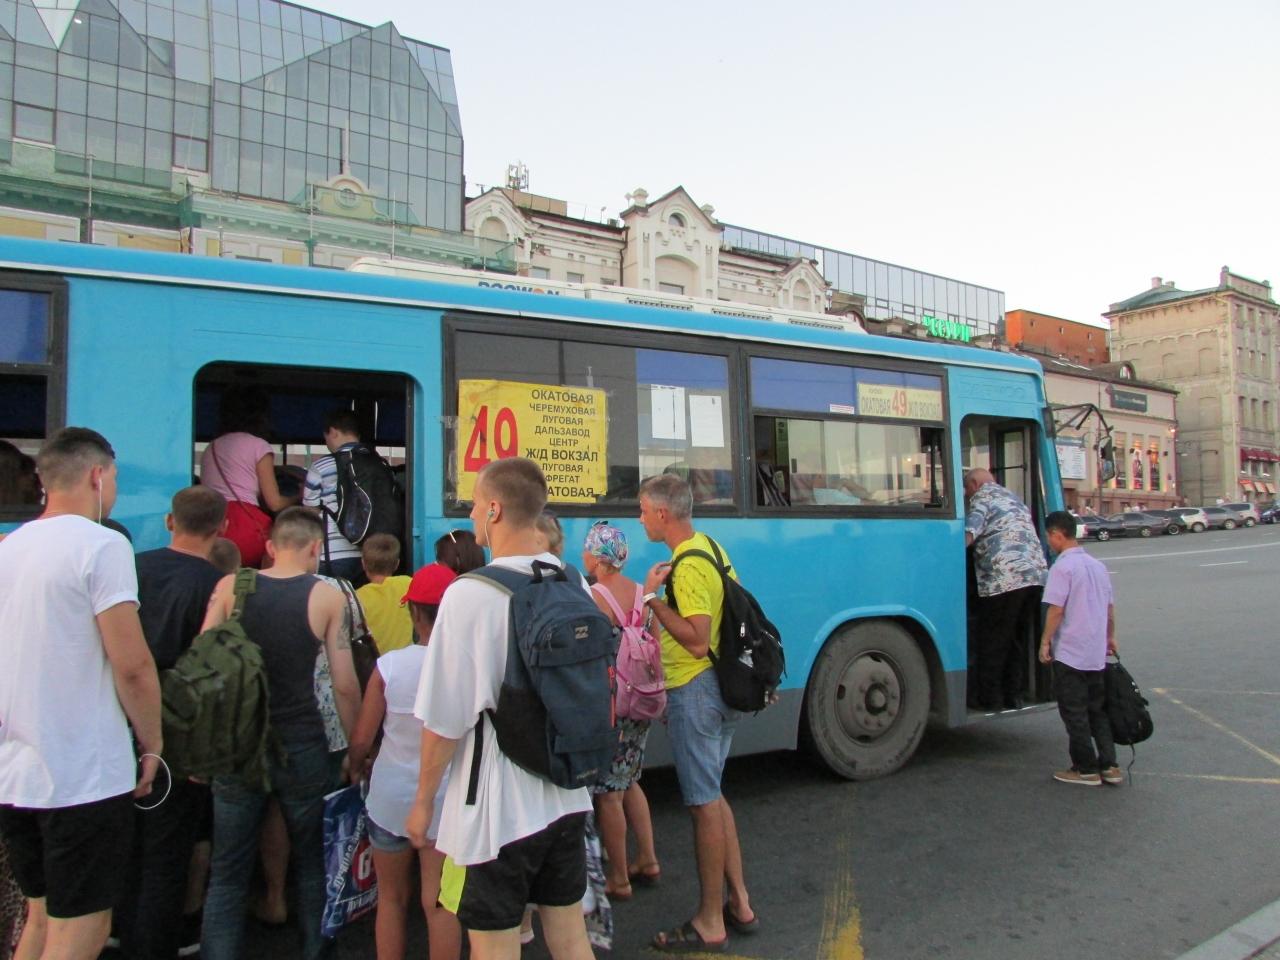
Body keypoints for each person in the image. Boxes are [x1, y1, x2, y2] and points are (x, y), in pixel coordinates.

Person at [404, 458, 595, 960]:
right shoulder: (573, 580)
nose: (470, 515)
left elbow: (444, 721)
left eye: (473, 504)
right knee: (571, 939)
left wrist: (423, 802)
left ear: (494, 509)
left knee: (494, 948)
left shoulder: (470, 594)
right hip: (567, 795)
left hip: (496, 815)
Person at [0, 427, 163, 960]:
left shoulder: (10, 548)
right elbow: (132, 665)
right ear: (97, 475)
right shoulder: (102, 545)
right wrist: (153, 743)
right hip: (81, 777)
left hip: (16, 773)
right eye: (113, 477)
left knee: (40, 920)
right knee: (82, 931)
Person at [199, 507, 360, 960]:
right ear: (316, 548)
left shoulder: (233, 587)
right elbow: (345, 685)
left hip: (239, 745)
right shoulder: (325, 596)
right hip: (303, 742)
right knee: (311, 865)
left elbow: (203, 664)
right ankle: (314, 952)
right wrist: (355, 749)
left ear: (270, 547)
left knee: (227, 873)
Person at [638, 474, 757, 952]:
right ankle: (739, 901)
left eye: (643, 510)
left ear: (662, 513)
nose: (640, 518)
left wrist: (651, 599)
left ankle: (710, 921)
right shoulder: (712, 547)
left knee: (703, 804)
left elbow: (696, 639)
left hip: (696, 691)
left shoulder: (685, 567)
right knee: (714, 794)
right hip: (721, 689)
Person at [115, 487, 228, 960]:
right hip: (181, 729)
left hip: (119, 719)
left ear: (169, 521)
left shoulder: (131, 569)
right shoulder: (219, 586)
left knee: (124, 838)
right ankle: (152, 945)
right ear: (222, 528)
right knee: (167, 851)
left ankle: (115, 930)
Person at [347, 563, 462, 960]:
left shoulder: (390, 666)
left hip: (390, 798)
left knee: (392, 900)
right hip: (444, 801)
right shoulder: (467, 668)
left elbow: (362, 739)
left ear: (414, 613)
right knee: (440, 902)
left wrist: (355, 765)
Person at [581, 522, 660, 899]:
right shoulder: (643, 593)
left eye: (587, 549)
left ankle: (619, 878)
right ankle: (648, 859)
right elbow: (656, 645)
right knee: (630, 781)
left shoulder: (593, 596)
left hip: (611, 705)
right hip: (641, 700)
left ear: (598, 558)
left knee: (609, 794)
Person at [1037, 512, 1122, 786]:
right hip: (1095, 652)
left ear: (1056, 534)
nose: (1049, 542)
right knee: (1097, 710)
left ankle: (1085, 768)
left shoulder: (1062, 568)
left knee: (1074, 712)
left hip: (1070, 652)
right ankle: (1109, 765)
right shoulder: (1098, 566)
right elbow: (1109, 609)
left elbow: (1056, 610)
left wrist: (1045, 641)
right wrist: (1110, 637)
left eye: (1049, 536)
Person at [963, 468, 1049, 711]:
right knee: (1015, 640)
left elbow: (969, 533)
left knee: (993, 639)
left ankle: (991, 698)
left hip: (1004, 580)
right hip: (1034, 578)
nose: (967, 495)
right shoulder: (1014, 498)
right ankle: (1013, 694)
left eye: (967, 490)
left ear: (975, 484)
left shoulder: (982, 497)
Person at [200, 387, 296, 568]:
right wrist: (298, 497)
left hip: (213, 528)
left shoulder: (210, 448)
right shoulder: (259, 446)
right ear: (261, 416)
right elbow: (274, 503)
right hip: (248, 530)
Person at [303, 409, 365, 583]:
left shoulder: (321, 466)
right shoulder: (377, 464)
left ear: (333, 432)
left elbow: (309, 514)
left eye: (326, 437)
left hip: (332, 555)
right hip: (369, 555)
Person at [356, 533, 414, 654]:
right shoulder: (408, 584)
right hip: (405, 658)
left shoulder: (357, 597)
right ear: (397, 564)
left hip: (377, 662)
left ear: (363, 563)